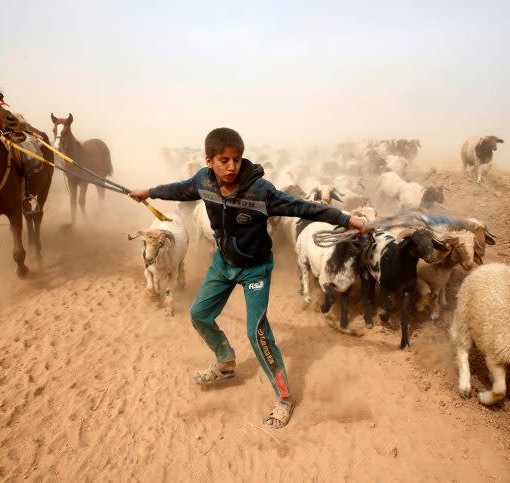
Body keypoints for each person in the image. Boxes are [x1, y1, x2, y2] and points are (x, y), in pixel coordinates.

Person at [130, 128, 366, 428]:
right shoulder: (203, 181)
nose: (231, 167)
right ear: (209, 161)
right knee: (199, 314)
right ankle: (226, 362)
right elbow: (178, 189)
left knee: (258, 334)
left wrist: (347, 219)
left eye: (236, 159)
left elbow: (303, 207)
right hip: (223, 264)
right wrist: (147, 192)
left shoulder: (261, 190)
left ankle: (284, 399)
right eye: (223, 160)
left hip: (255, 269)